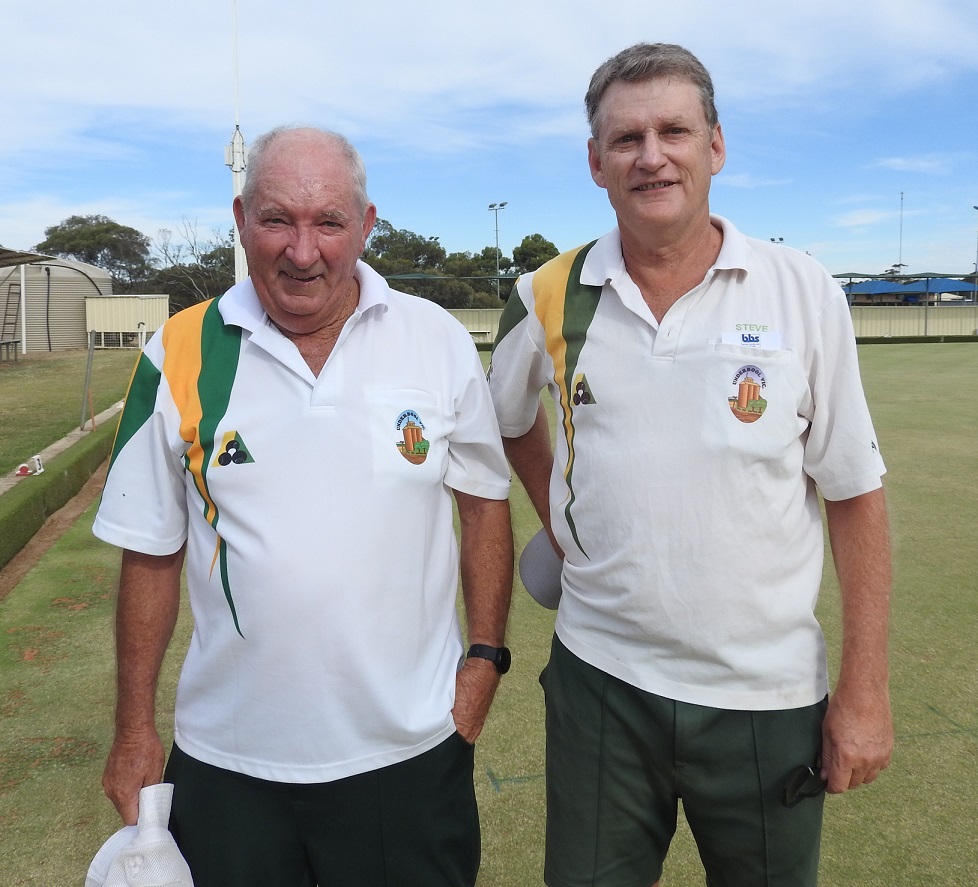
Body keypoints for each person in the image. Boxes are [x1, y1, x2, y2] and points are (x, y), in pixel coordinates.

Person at [488, 43, 892, 887]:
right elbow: (509, 421)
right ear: (596, 161)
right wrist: (562, 522)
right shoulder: (548, 294)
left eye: (674, 129)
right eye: (626, 137)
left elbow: (854, 492)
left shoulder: (803, 289)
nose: (651, 155)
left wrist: (865, 690)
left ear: (716, 145)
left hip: (767, 697)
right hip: (601, 682)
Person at [93, 125, 514, 887]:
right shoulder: (178, 352)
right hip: (228, 762)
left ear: (366, 225)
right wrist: (132, 729)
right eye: (278, 218)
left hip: (409, 752)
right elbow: (149, 550)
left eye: (328, 222)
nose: (301, 249)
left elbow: (485, 506)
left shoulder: (437, 339)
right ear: (241, 218)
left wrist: (483, 661)